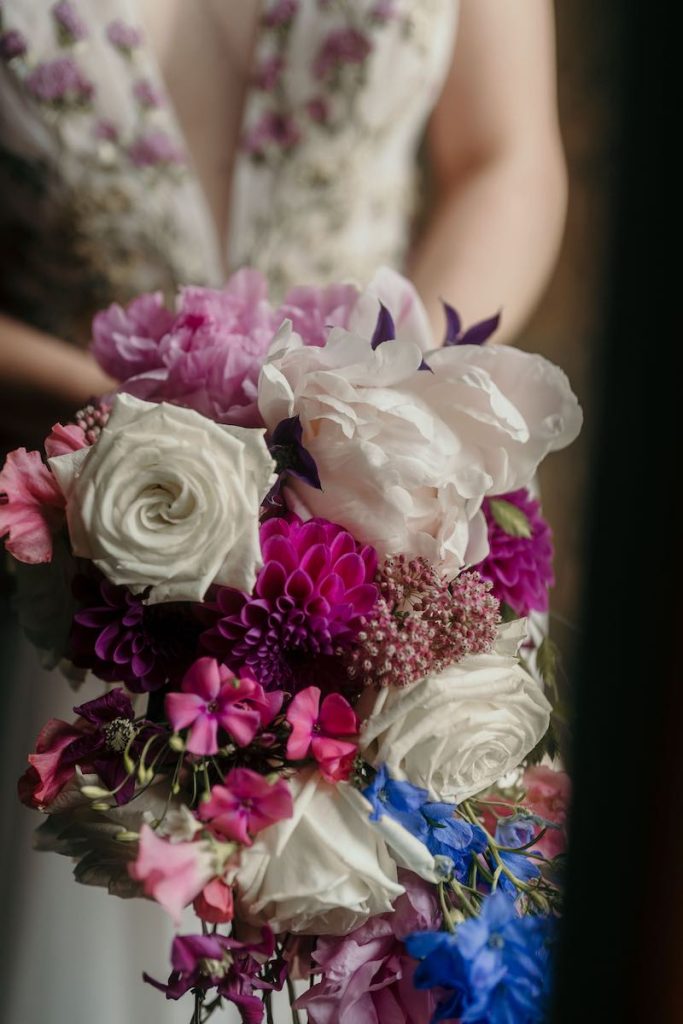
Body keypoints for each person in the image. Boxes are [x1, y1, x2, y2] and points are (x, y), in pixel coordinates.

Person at [0, 2, 566, 1022]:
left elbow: (504, 155)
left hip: (380, 537)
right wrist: (140, 433)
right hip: (79, 521)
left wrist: (382, 409)